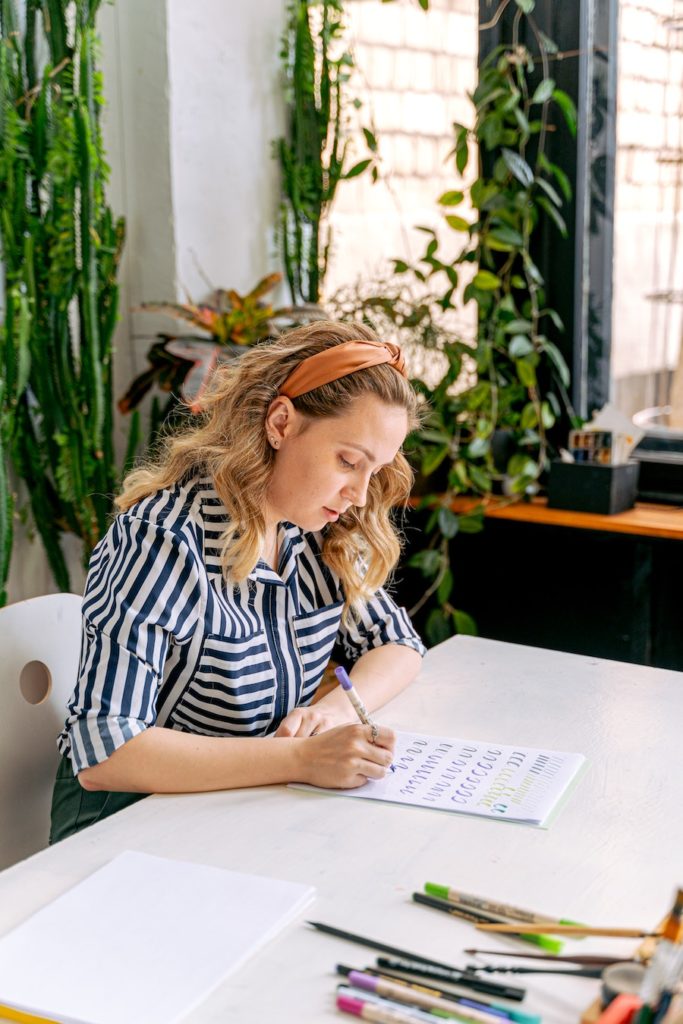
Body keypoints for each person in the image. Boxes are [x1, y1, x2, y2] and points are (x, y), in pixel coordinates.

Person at [50, 320, 426, 842]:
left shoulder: (316, 533)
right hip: (124, 825)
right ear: (280, 423)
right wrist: (297, 757)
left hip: (235, 810)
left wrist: (332, 712)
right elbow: (107, 751)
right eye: (347, 461)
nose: (360, 495)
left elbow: (398, 643)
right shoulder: (160, 540)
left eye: (376, 470)